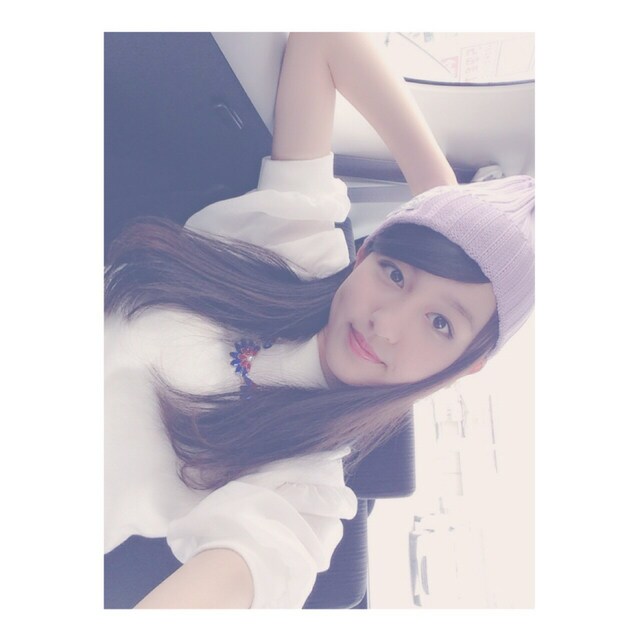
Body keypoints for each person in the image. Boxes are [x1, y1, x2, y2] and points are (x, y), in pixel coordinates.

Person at [104, 33, 534, 609]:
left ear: (465, 366)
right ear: (364, 253)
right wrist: (446, 214)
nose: (387, 325)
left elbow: (252, 566)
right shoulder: (297, 246)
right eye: (395, 273)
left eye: (441, 324)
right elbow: (324, 39)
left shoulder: (304, 491)